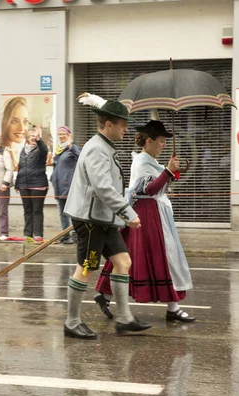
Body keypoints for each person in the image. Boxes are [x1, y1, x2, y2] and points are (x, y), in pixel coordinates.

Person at [62, 93, 151, 340]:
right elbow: (103, 187)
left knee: (123, 262)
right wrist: (127, 212)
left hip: (102, 220)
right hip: (90, 222)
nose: (126, 130)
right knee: (87, 267)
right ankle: (71, 322)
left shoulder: (103, 145)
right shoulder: (96, 150)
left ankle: (124, 319)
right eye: (123, 126)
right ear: (109, 125)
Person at [94, 117, 195, 323]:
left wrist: (171, 171)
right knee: (161, 256)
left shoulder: (151, 161)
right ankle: (172, 307)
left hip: (153, 213)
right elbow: (148, 189)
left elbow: (160, 184)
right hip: (147, 215)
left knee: (130, 256)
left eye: (165, 141)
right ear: (149, 140)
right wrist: (167, 171)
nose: (164, 144)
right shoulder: (142, 161)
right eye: (161, 140)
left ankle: (105, 294)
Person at [15, 126, 48, 240]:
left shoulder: (40, 149)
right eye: (31, 136)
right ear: (27, 138)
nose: (33, 138)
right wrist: (17, 184)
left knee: (37, 210)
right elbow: (21, 167)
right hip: (24, 184)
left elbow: (44, 150)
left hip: (38, 184)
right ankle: (27, 234)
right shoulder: (23, 150)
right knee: (27, 210)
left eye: (35, 136)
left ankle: (38, 234)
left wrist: (39, 140)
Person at [50, 126, 80, 244]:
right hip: (58, 185)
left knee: (72, 212)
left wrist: (71, 147)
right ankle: (65, 235)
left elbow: (80, 157)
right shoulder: (58, 150)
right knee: (62, 212)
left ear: (69, 135)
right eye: (60, 134)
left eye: (64, 134)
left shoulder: (72, 148)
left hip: (69, 185)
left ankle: (77, 234)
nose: (62, 136)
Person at [0, 97, 29, 169]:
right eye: (14, 121)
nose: (22, 128)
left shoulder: (28, 147)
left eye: (25, 121)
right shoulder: (0, 152)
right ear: (5, 123)